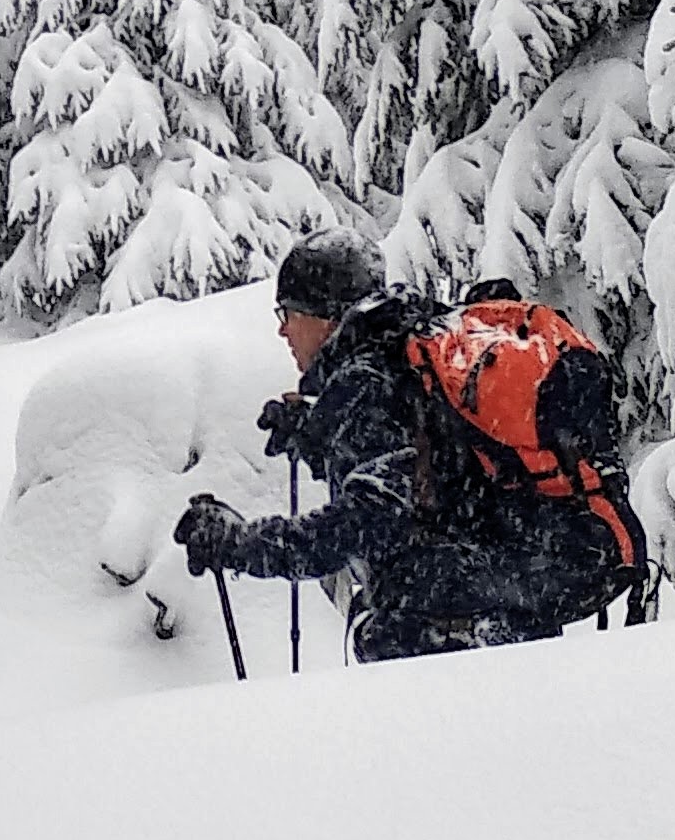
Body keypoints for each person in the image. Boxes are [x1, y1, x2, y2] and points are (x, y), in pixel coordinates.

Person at [174, 235, 619, 662]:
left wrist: (239, 544)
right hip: (546, 561)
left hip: (506, 590)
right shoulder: (406, 355)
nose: (282, 330)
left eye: (287, 312)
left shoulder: (369, 382)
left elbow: (356, 527)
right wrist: (317, 435)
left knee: (389, 622)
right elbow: (429, 473)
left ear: (325, 316)